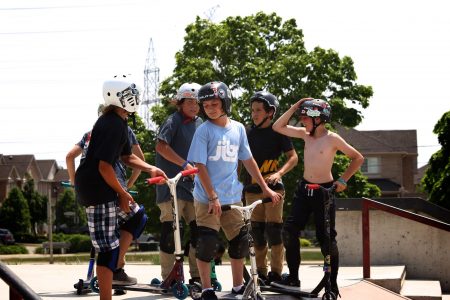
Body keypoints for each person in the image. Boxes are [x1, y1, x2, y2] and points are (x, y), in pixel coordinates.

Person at [74, 74, 167, 300]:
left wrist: (150, 168)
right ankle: (109, 285)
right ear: (117, 97)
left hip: (103, 184)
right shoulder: (111, 123)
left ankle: (117, 263)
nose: (135, 98)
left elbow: (126, 157)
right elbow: (105, 166)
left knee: (137, 217)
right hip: (97, 188)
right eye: (130, 94)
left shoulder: (120, 121)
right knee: (107, 251)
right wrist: (123, 193)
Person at [187, 81, 282, 300]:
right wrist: (212, 196)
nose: (210, 108)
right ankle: (207, 290)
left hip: (232, 197)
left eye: (214, 103)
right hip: (207, 198)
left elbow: (248, 160)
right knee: (207, 243)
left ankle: (239, 287)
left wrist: (265, 188)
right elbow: (199, 166)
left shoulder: (238, 128)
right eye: (206, 105)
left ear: (225, 103)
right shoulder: (203, 131)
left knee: (239, 243)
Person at [270, 98, 364, 296]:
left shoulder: (333, 138)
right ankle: (294, 277)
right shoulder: (305, 134)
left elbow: (358, 158)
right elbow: (278, 126)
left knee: (326, 238)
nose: (302, 121)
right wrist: (296, 106)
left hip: (325, 192)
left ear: (319, 119)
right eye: (301, 117)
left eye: (305, 117)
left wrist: (343, 180)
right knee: (289, 230)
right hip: (304, 189)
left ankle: (332, 283)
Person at [66, 104, 146, 286]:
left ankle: (115, 269)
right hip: (111, 185)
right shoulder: (122, 127)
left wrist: (73, 182)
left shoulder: (90, 133)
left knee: (109, 238)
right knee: (130, 224)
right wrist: (126, 188)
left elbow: (70, 156)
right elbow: (137, 158)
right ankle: (116, 268)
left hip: (93, 187)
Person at [244, 91, 298, 284]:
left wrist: (279, 173)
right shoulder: (247, 133)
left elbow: (293, 158)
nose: (254, 114)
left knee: (274, 231)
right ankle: (261, 273)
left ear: (270, 112)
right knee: (257, 233)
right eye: (252, 110)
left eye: (258, 110)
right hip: (252, 190)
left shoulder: (278, 132)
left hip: (274, 189)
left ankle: (276, 272)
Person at [155, 82, 202, 284]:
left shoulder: (200, 124)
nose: (194, 106)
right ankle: (169, 277)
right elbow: (160, 146)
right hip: (170, 187)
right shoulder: (172, 121)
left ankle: (197, 275)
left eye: (197, 102)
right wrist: (184, 164)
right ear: (180, 103)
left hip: (194, 189)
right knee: (171, 233)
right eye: (189, 101)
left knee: (199, 232)